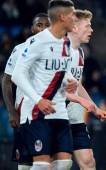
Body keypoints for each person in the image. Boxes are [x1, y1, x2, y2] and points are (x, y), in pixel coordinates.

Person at [11, 0, 78, 169]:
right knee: (41, 166)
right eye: (72, 15)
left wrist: (70, 81)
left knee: (64, 163)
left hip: (59, 110)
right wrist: (38, 100)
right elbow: (17, 75)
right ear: (62, 17)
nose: (75, 19)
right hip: (37, 112)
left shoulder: (66, 43)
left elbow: (61, 71)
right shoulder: (37, 42)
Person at [1, 13, 50, 170]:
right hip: (25, 113)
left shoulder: (59, 52)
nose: (43, 29)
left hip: (50, 114)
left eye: (47, 25)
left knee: (52, 162)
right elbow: (6, 81)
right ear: (32, 29)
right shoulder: (20, 49)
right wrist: (11, 111)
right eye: (39, 25)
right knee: (25, 164)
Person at [67, 9, 106, 170]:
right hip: (56, 116)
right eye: (88, 26)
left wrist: (95, 109)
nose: (91, 30)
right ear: (75, 27)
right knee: (59, 164)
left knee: (88, 162)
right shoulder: (58, 50)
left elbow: (78, 85)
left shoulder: (79, 53)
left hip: (75, 116)